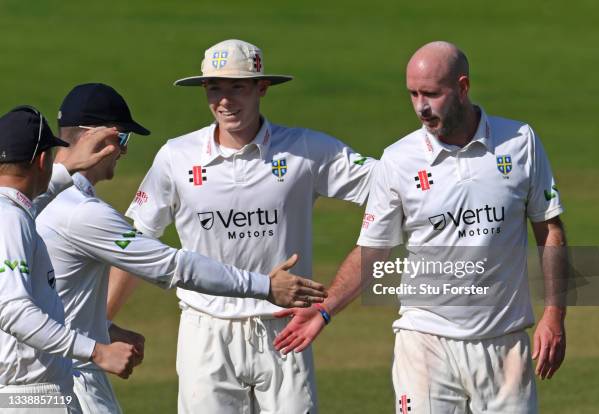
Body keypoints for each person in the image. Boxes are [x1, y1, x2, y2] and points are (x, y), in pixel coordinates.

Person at [274, 41, 568, 414]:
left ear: (462, 87)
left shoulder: (520, 142)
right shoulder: (398, 160)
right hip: (426, 344)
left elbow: (550, 230)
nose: (420, 106)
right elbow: (373, 249)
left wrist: (555, 315)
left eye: (431, 93)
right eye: (413, 93)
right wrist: (326, 308)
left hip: (504, 343)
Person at [106, 39, 375, 414]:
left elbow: (392, 191)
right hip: (206, 329)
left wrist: (333, 300)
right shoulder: (176, 157)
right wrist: (99, 325)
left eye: (237, 87)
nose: (225, 100)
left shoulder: (305, 150)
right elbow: (135, 246)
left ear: (261, 87)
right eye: (215, 87)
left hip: (284, 328)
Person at [35, 83, 328, 414]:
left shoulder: (27, 202)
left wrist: (101, 329)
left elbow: (41, 300)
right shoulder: (82, 212)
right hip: (68, 381)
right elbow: (172, 266)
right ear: (106, 140)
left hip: (34, 378)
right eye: (124, 141)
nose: (124, 153)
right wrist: (265, 286)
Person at [0, 105, 139, 414]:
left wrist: (69, 168)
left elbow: (30, 204)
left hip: (22, 396)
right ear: (42, 160)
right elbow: (13, 311)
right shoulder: (11, 220)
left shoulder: (10, 211)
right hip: (33, 399)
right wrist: (97, 351)